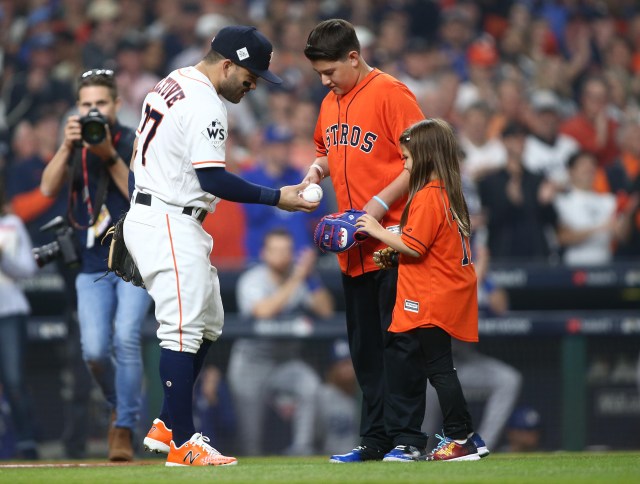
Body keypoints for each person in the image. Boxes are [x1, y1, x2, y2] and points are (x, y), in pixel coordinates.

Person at [124, 25, 318, 467]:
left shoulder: (172, 79)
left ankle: (168, 422)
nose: (253, 86)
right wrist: (277, 197)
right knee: (183, 329)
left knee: (210, 321)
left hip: (161, 212)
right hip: (169, 217)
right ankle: (183, 442)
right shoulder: (206, 101)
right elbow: (212, 179)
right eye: (250, 77)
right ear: (227, 64)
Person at [301, 18, 425, 463]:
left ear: (354, 57)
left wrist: (376, 204)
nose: (324, 80)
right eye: (319, 73)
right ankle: (375, 439)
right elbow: (327, 150)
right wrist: (316, 171)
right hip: (352, 250)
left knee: (400, 347)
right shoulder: (329, 102)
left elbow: (422, 161)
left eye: (330, 71)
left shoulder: (392, 93)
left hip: (391, 243)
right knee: (365, 351)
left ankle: (408, 438)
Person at [40, 68, 152, 462]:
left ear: (116, 105)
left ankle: (123, 427)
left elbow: (142, 195)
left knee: (125, 337)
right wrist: (67, 148)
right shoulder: (74, 144)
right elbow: (47, 188)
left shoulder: (134, 140)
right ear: (77, 107)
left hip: (134, 260)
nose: (93, 110)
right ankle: (120, 405)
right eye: (86, 104)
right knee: (93, 351)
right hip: (90, 264)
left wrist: (108, 154)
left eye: (100, 103)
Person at [355, 118, 483, 462]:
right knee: (442, 367)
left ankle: (459, 438)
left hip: (433, 294)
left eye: (408, 158)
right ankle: (469, 434)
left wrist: (377, 230)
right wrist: (393, 254)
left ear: (425, 156)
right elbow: (430, 247)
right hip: (448, 287)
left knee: (439, 369)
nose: (405, 164)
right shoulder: (448, 191)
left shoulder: (428, 195)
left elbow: (416, 247)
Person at [227, 228, 334, 456]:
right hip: (251, 364)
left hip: (286, 362)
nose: (281, 255)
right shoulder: (252, 279)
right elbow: (263, 311)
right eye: (275, 250)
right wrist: (297, 278)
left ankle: (302, 449)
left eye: (286, 250)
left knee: (310, 386)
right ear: (264, 253)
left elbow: (326, 311)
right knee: (250, 441)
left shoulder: (301, 279)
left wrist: (310, 277)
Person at [0, 176, 39, 460]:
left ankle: (26, 442)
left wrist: (3, 259)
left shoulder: (11, 224)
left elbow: (28, 270)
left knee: (14, 380)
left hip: (9, 311)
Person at [314, 339, 360, 455]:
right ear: (332, 369)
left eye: (350, 363)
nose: (347, 369)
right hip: (328, 455)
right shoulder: (322, 395)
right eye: (342, 364)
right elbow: (315, 435)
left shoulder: (365, 394)